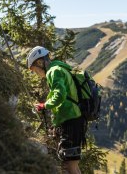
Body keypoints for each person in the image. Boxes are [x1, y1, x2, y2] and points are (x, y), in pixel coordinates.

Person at [26, 46, 86, 174]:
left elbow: (60, 95)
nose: (35, 73)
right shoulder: (60, 69)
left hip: (70, 121)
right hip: (74, 120)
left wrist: (44, 106)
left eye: (34, 70)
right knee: (71, 164)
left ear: (40, 62)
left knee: (68, 165)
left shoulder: (54, 71)